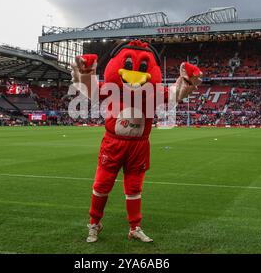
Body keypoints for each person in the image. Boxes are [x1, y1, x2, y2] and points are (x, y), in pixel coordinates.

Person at [71, 40, 203, 243]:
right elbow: (90, 89)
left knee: (134, 188)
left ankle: (134, 227)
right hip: (113, 143)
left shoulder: (153, 94)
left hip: (139, 146)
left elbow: (176, 94)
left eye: (143, 66)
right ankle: (94, 223)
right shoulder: (110, 89)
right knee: (102, 184)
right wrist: (86, 72)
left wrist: (187, 79)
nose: (134, 73)